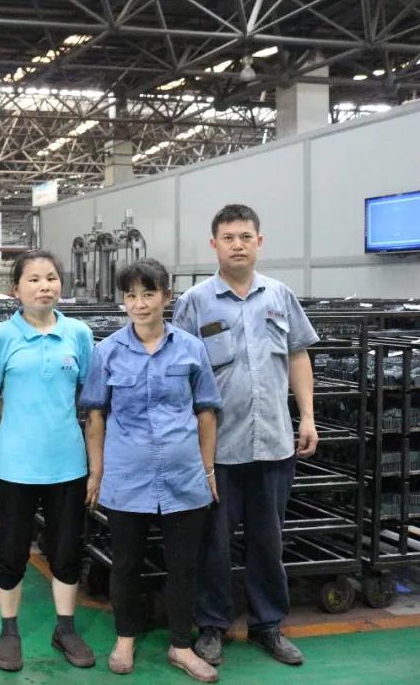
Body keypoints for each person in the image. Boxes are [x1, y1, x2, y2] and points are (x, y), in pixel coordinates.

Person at [172, 204, 319, 668]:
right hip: (218, 450)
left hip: (274, 443)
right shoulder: (195, 302)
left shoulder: (280, 295)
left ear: (259, 241)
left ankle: (267, 625)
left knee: (268, 541)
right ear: (213, 244)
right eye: (229, 237)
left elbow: (297, 356)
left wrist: (308, 417)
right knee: (213, 544)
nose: (238, 244)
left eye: (245, 236)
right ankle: (212, 626)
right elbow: (178, 371)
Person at [80, 258, 222, 683]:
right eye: (131, 295)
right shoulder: (107, 351)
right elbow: (96, 416)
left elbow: (206, 412)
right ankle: (125, 637)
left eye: (148, 294)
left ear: (166, 296)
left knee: (183, 565)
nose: (139, 304)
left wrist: (208, 470)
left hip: (183, 475)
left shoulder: (191, 348)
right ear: (123, 300)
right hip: (127, 475)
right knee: (125, 563)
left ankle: (181, 645)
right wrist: (96, 473)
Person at [0, 250, 96, 672]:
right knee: (11, 550)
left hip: (67, 463)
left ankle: (65, 628)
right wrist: (9, 424)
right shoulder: (1, 337)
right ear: (16, 289)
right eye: (33, 279)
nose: (44, 286)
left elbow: (87, 391)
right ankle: (9, 630)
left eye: (51, 278)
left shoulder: (79, 333)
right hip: (16, 465)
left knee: (66, 549)